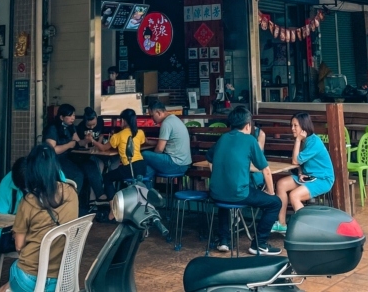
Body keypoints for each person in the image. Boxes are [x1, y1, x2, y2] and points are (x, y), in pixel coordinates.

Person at [0, 145, 79, 292]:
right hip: (63, 277)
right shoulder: (72, 193)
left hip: (29, 279)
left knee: (8, 285)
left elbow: (18, 246)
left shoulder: (29, 200)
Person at [207, 106, 282, 256]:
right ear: (248, 125)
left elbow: (209, 158)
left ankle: (224, 240)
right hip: (238, 193)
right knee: (275, 203)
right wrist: (271, 192)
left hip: (216, 192)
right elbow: (266, 170)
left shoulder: (223, 138)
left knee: (226, 200)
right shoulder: (250, 140)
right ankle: (259, 244)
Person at [272, 112, 334, 234]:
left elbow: (295, 160)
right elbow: (298, 164)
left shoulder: (314, 142)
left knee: (294, 195)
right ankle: (282, 224)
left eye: (295, 125)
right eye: (292, 125)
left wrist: (298, 140)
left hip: (323, 179)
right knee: (281, 184)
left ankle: (308, 230)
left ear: (303, 127)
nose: (292, 128)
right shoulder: (305, 140)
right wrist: (300, 173)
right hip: (308, 177)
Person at [44, 104, 106, 212]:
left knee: (90, 164)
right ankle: (72, 205)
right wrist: (69, 145)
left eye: (73, 115)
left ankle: (99, 195)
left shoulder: (71, 127)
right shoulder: (53, 128)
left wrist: (86, 140)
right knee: (77, 175)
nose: (73, 118)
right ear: (61, 117)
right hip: (56, 160)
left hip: (70, 156)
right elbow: (52, 150)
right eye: (70, 115)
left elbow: (78, 142)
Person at [0, 157, 28, 288]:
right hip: (9, 230)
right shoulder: (8, 183)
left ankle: (17, 285)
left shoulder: (45, 182)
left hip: (35, 235)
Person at [97, 108, 148, 201]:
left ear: (124, 121)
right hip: (142, 166)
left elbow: (103, 148)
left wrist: (93, 141)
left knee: (107, 177)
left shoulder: (118, 135)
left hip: (130, 167)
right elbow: (139, 142)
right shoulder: (140, 133)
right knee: (118, 173)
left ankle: (113, 203)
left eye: (120, 120)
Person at [142, 101, 193, 175]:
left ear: (158, 112)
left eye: (152, 115)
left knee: (144, 154)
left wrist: (154, 157)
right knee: (149, 168)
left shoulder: (166, 123)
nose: (152, 119)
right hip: (184, 164)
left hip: (175, 164)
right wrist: (148, 142)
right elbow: (165, 143)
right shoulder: (174, 119)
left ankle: (141, 185)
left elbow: (159, 149)